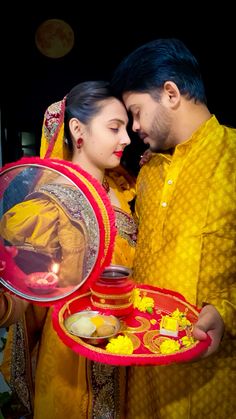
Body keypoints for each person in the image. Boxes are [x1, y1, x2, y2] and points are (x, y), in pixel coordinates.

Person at [110, 38, 236, 418]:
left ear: (170, 93)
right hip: (144, 378)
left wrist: (227, 312)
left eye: (135, 112)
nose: (133, 128)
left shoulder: (232, 158)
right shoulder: (149, 172)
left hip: (210, 382)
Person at [0, 80, 138, 418]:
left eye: (126, 128)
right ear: (78, 129)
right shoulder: (50, 204)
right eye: (114, 128)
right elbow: (24, 287)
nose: (126, 139)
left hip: (128, 345)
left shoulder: (123, 187)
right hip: (72, 357)